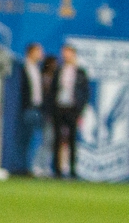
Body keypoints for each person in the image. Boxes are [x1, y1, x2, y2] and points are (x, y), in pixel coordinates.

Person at [50, 44, 89, 179]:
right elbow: (53, 91)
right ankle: (57, 169)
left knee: (72, 140)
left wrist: (80, 110)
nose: (65, 55)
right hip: (59, 107)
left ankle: (72, 169)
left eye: (68, 53)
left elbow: (84, 93)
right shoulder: (59, 70)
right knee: (57, 139)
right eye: (64, 53)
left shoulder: (80, 72)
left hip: (72, 109)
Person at [18, 43, 46, 176]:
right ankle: (21, 167)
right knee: (24, 139)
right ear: (31, 52)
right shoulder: (23, 68)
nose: (41, 54)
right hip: (28, 108)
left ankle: (32, 166)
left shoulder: (37, 68)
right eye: (39, 51)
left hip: (37, 108)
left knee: (35, 140)